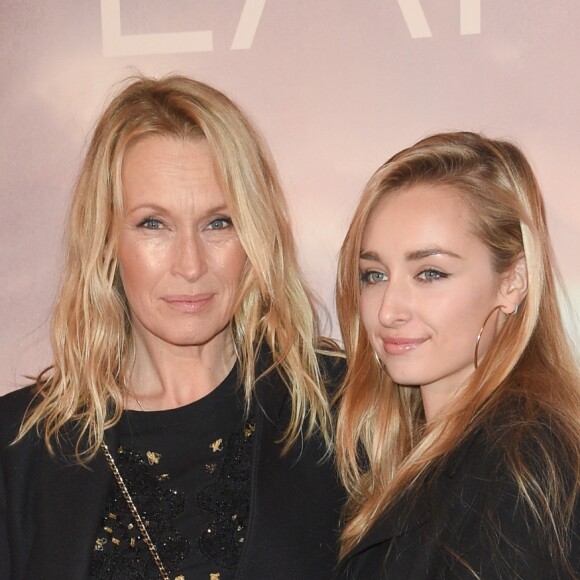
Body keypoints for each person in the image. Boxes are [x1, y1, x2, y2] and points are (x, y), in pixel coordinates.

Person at [0, 75, 344, 580]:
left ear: (255, 234)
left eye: (219, 222)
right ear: (105, 239)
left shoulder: (342, 407)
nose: (189, 264)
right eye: (153, 224)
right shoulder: (19, 447)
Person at [334, 132, 580, 578]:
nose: (388, 310)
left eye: (430, 273)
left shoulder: (521, 467)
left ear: (513, 281)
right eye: (373, 275)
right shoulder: (430, 448)